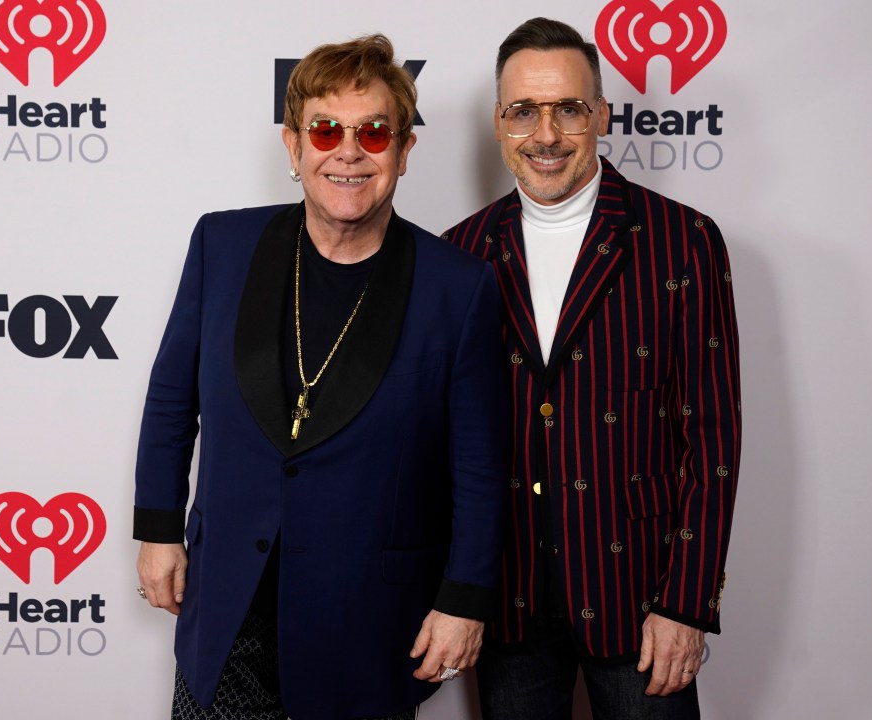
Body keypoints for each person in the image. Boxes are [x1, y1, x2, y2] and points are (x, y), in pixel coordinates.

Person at [133, 34, 507, 720]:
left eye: (373, 132)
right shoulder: (222, 245)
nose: (349, 151)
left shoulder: (460, 288)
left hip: (366, 623)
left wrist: (464, 598)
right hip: (228, 608)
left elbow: (480, 468)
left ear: (404, 150)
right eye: (326, 129)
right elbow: (170, 398)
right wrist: (157, 528)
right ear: (293, 145)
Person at [442, 17, 741, 720]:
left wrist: (687, 603)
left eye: (568, 108)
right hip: (505, 603)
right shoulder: (459, 254)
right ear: (498, 122)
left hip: (640, 604)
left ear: (601, 114)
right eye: (524, 111)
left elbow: (714, 442)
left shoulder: (684, 243)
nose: (545, 134)